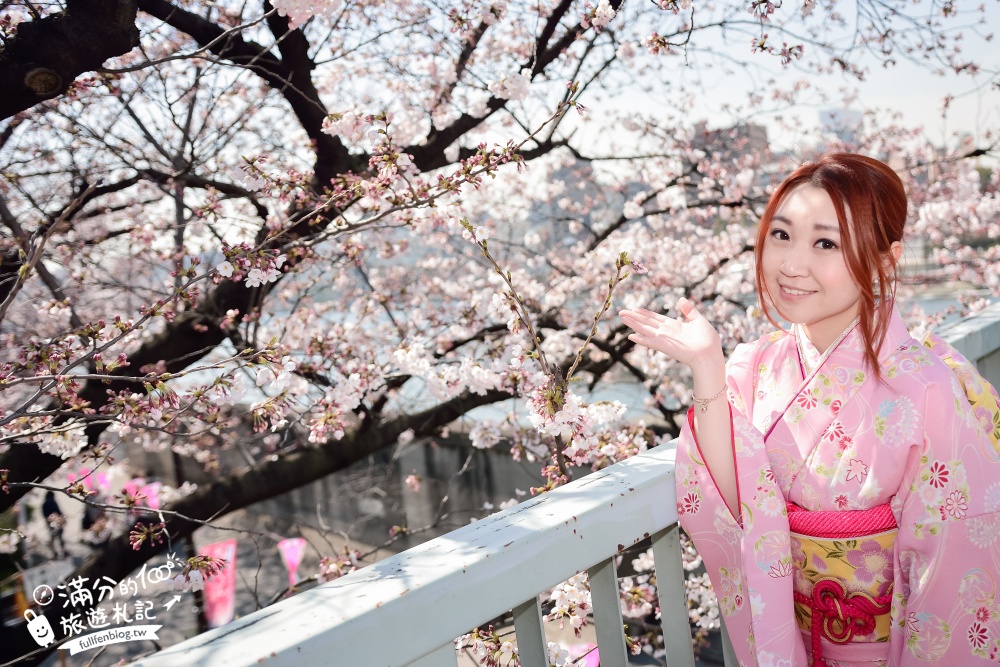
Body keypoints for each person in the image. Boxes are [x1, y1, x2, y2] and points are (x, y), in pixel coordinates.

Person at [620, 153, 1000, 666]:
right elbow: (736, 499)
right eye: (781, 235)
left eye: (825, 243)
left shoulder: (926, 387)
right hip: (791, 637)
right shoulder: (755, 365)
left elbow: (950, 571)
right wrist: (707, 365)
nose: (791, 265)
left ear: (886, 260)